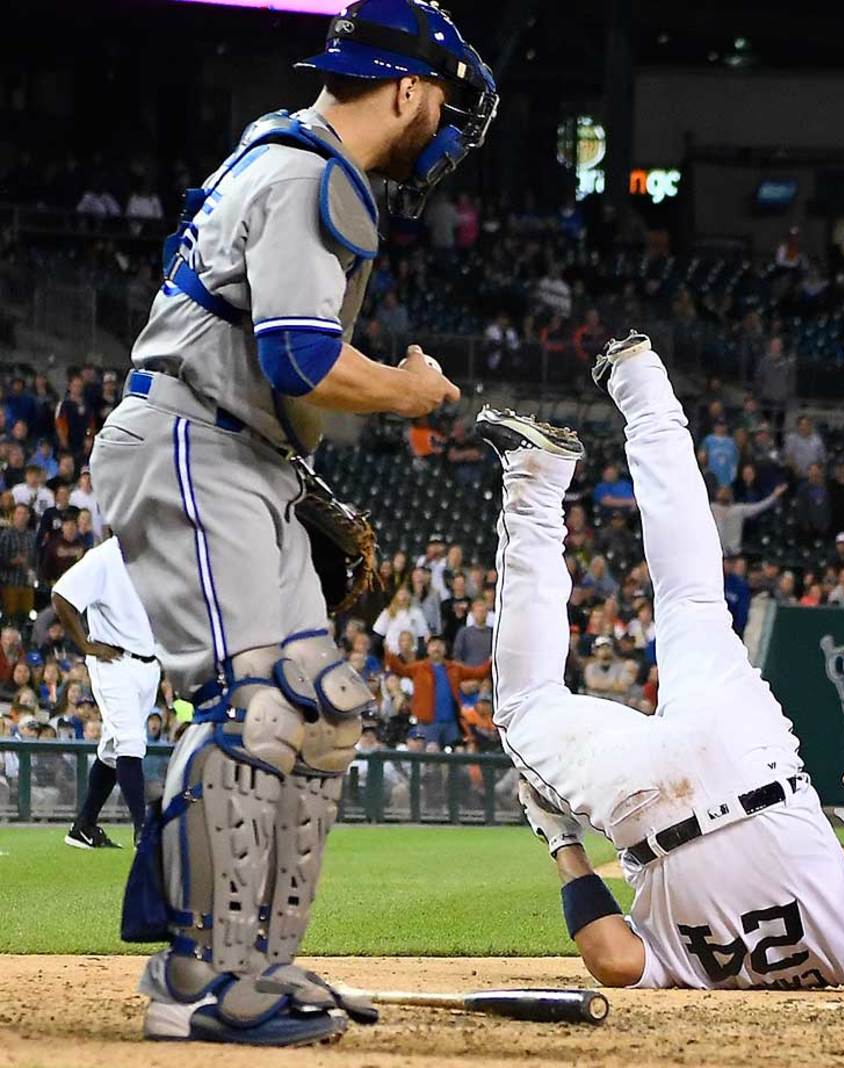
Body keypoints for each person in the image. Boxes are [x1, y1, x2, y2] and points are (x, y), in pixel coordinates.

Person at [87, 0, 493, 1046]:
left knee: (325, 707)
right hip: (191, 441)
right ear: (406, 87)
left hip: (238, 451)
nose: (443, 125)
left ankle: (257, 964)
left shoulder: (292, 153)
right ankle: (197, 981)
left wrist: (296, 483)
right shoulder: (315, 175)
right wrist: (410, 392)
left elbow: (270, 367)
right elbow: (301, 358)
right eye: (442, 102)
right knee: (259, 703)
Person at [472, 333, 844, 993]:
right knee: (524, 706)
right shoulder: (697, 972)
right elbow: (616, 962)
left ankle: (639, 379)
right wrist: (562, 842)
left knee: (692, 596)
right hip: (646, 806)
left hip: (749, 758)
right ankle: (535, 479)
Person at [53, 537, 161, 850]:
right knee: (130, 741)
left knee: (114, 749)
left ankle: (83, 826)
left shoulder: (154, 553)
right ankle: (144, 832)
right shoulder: (103, 557)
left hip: (148, 662)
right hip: (112, 662)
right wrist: (85, 644)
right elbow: (61, 596)